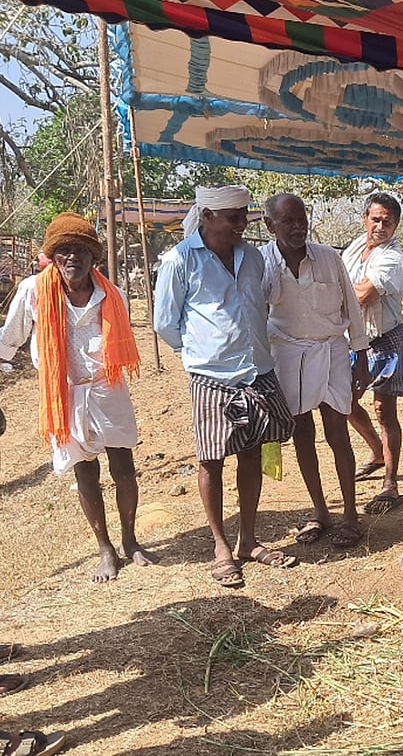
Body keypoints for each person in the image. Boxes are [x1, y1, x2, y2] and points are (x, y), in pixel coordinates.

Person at [0, 212, 152, 583]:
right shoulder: (33, 292)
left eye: (80, 251)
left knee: (123, 468)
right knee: (85, 470)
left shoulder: (112, 294)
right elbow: (7, 340)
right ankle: (105, 548)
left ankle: (130, 540)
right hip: (64, 394)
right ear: (52, 257)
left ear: (93, 257)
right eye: (63, 252)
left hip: (108, 388)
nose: (71, 258)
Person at [154, 186, 296, 588]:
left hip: (256, 371)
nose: (242, 224)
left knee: (252, 454)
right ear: (209, 217)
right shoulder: (180, 260)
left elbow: (261, 304)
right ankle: (221, 547)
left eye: (244, 216)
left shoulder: (252, 257)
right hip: (211, 376)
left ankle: (248, 540)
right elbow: (166, 322)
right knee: (211, 459)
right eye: (234, 217)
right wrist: (201, 351)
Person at [260, 193, 369, 547]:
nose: (297, 227)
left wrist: (361, 356)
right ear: (269, 225)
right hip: (286, 355)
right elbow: (255, 314)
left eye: (301, 218)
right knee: (302, 433)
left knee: (337, 432)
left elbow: (352, 307)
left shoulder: (329, 258)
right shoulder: (260, 263)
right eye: (288, 221)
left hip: (332, 351)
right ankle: (320, 512)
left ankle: (351, 515)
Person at [339, 193, 403, 515]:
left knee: (384, 410)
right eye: (376, 219)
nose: (381, 226)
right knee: (347, 404)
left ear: (395, 225)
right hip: (352, 339)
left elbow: (364, 295)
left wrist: (331, 292)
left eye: (388, 221)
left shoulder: (392, 259)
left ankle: (390, 483)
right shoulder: (354, 249)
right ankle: (377, 452)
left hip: (385, 340)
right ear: (365, 218)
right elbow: (347, 290)